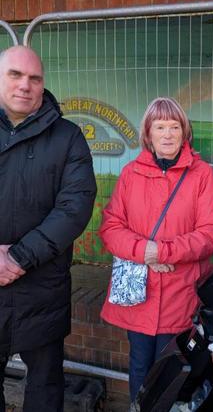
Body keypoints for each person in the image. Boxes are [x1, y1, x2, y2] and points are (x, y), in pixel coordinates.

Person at [98, 97, 213, 406]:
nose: (168, 134)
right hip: (139, 296)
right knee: (140, 369)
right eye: (160, 127)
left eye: (174, 126)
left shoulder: (201, 175)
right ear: (148, 133)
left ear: (184, 132)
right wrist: (145, 252)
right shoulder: (131, 174)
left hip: (180, 296)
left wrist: (164, 252)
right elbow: (110, 227)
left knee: (173, 373)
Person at [0, 45, 97, 411]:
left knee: (44, 389)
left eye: (34, 78)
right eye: (15, 75)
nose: (25, 85)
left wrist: (18, 257)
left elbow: (75, 206)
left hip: (42, 288)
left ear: (43, 85)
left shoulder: (68, 137)